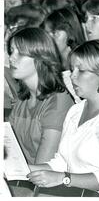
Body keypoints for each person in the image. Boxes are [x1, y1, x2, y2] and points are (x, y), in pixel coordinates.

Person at [27, 40, 99, 197]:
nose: (72, 76)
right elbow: (62, 162)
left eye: (81, 71)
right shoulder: (76, 111)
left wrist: (64, 179)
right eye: (72, 69)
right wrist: (23, 169)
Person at [6, 27, 74, 196]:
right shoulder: (22, 99)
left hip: (44, 188)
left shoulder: (58, 101)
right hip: (20, 179)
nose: (11, 58)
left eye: (20, 53)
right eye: (11, 51)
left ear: (40, 58)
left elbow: (43, 168)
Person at [41, 7, 86, 103]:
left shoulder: (83, 60)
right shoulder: (51, 62)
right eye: (47, 34)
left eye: (54, 33)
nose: (49, 39)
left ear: (70, 32)